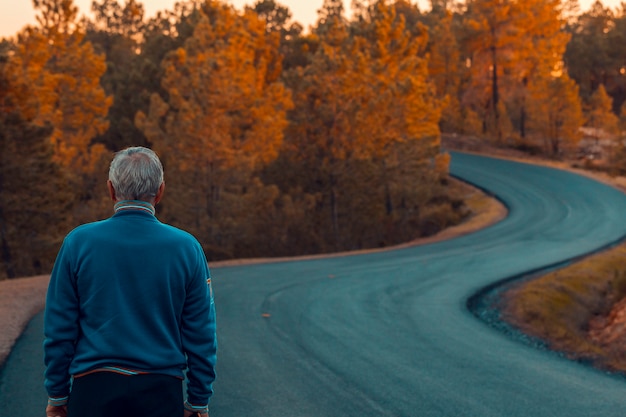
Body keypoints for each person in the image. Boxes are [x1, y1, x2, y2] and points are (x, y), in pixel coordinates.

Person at [43, 147, 217, 417]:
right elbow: (201, 332)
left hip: (93, 390)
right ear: (160, 192)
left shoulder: (78, 243)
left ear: (111, 190)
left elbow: (59, 326)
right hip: (160, 390)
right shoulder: (187, 248)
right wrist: (198, 399)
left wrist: (57, 394)